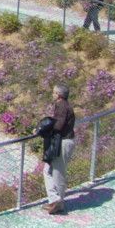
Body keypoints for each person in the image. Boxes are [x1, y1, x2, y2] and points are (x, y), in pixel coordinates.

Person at [40, 84, 76, 215]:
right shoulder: (64, 105)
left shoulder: (61, 106)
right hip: (64, 141)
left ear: (59, 95)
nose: (52, 94)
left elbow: (58, 125)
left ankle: (58, 203)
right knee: (48, 171)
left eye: (54, 92)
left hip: (64, 142)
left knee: (57, 173)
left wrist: (42, 128)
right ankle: (55, 200)